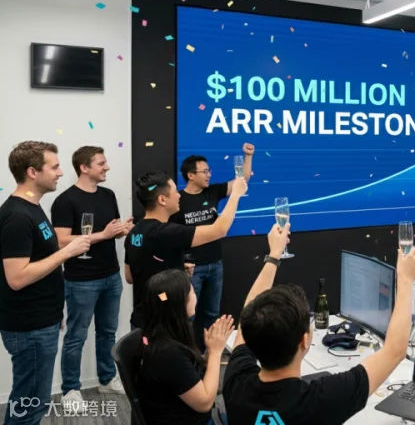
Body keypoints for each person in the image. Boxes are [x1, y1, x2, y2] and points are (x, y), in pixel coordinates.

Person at [223, 224, 415, 424]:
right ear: (304, 340)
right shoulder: (322, 400)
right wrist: (405, 280)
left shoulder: (236, 383)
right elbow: (395, 350)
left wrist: (274, 255)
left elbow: (249, 316)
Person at [0, 141, 91, 425]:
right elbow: (17, 278)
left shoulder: (32, 207)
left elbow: (40, 264)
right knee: (29, 406)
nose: (61, 172)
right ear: (32, 172)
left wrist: (53, 312)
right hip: (29, 326)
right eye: (54, 167)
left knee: (32, 402)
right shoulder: (17, 216)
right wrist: (67, 252)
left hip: (41, 321)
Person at [51, 146, 132, 411]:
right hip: (81, 280)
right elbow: (61, 241)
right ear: (84, 167)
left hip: (111, 275)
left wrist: (121, 230)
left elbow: (110, 231)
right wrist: (103, 235)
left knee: (108, 332)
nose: (107, 167)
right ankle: (70, 390)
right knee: (76, 336)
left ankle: (107, 379)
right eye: (101, 163)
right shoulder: (65, 201)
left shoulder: (108, 195)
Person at [125, 171, 247, 329]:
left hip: (141, 320)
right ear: (162, 200)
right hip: (166, 324)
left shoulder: (134, 232)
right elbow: (219, 230)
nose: (179, 196)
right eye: (175, 191)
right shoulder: (165, 232)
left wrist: (176, 267)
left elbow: (130, 276)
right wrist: (235, 195)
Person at [172, 143, 254, 349]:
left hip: (215, 264)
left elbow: (241, 181)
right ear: (191, 175)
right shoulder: (177, 201)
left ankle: (210, 353)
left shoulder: (213, 192)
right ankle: (189, 354)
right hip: (191, 268)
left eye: (209, 171)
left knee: (211, 313)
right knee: (188, 315)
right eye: (205, 171)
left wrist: (248, 156)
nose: (209, 175)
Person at [137, 270, 233, 425]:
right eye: (192, 292)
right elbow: (204, 403)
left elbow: (185, 370)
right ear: (180, 303)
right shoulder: (167, 354)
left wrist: (208, 353)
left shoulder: (163, 334)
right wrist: (216, 352)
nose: (195, 296)